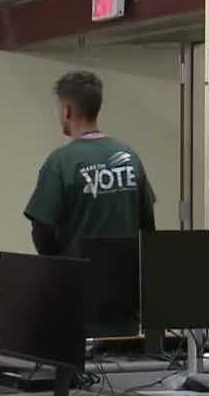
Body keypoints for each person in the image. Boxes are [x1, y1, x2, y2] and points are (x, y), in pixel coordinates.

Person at [24, 71, 156, 258]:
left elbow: (42, 231)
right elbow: (147, 225)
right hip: (128, 281)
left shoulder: (60, 163)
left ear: (66, 110)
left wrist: (61, 263)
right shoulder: (130, 156)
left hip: (78, 281)